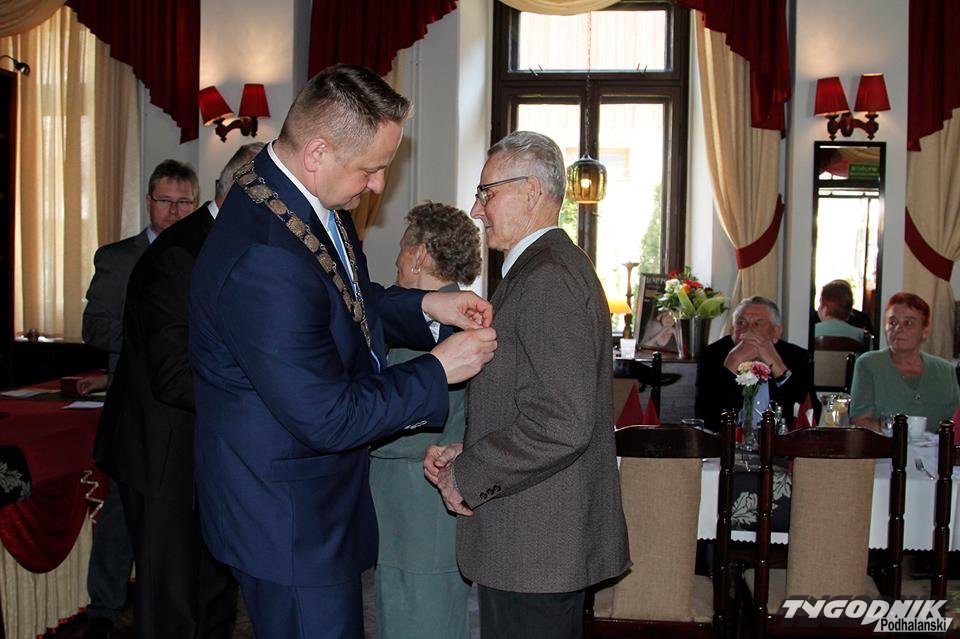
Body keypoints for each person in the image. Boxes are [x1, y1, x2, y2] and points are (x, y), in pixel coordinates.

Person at [187, 64, 497, 639]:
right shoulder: (265, 257)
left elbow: (341, 299)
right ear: (318, 153)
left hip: (310, 499)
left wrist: (426, 307)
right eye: (371, 169)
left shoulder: (303, 194)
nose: (378, 185)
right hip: (287, 518)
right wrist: (438, 369)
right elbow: (327, 415)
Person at [423, 131, 629, 639]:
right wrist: (470, 447)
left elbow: (562, 423)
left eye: (487, 193)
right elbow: (535, 404)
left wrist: (469, 472)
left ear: (532, 192)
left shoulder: (547, 278)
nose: (477, 209)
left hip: (535, 546)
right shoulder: (541, 270)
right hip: (533, 541)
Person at [94, 144, 262, 638]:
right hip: (162, 454)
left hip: (203, 448)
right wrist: (260, 397)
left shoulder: (222, 241)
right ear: (245, 194)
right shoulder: (178, 254)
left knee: (213, 590)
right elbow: (173, 374)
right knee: (170, 604)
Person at [81, 159, 198, 639]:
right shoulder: (118, 258)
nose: (173, 211)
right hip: (133, 407)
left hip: (184, 407)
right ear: (148, 202)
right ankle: (103, 609)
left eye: (183, 202)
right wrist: (154, 341)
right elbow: (95, 328)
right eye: (165, 201)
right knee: (120, 514)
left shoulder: (201, 252)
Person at [370, 202, 481, 639]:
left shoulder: (437, 328)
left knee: (419, 622)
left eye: (402, 247)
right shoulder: (442, 319)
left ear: (418, 255)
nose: (397, 260)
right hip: (412, 510)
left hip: (420, 509)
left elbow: (412, 426)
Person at [695, 296, 816, 430]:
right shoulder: (712, 355)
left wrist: (778, 366)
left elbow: (811, 414)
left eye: (758, 324)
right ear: (732, 329)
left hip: (777, 440)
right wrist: (731, 365)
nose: (748, 330)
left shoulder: (796, 356)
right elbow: (706, 417)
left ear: (776, 332)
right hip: (729, 439)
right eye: (741, 322)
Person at [850, 292, 959, 432]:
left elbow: (956, 424)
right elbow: (859, 421)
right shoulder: (869, 364)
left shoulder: (945, 371)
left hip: (935, 446)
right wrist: (898, 434)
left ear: (925, 331)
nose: (898, 329)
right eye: (892, 322)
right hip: (884, 445)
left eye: (908, 323)